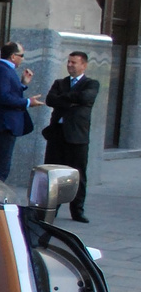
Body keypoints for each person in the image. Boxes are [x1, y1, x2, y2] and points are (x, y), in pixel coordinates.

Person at [43, 51, 99, 222]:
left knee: (78, 174)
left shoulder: (91, 84)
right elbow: (51, 100)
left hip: (77, 136)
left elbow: (85, 97)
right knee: (53, 173)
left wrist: (64, 99)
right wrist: (71, 101)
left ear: (84, 65)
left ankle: (77, 210)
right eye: (68, 62)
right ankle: (51, 208)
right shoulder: (60, 83)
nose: (70, 65)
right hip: (57, 134)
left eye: (74, 62)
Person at [0, 42, 42, 181]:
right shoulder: (1, 70)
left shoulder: (5, 70)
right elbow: (3, 97)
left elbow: (8, 93)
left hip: (7, 123)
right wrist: (27, 102)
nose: (22, 59)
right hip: (4, 124)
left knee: (3, 163)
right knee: (2, 165)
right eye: (21, 56)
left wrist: (22, 84)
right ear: (13, 56)